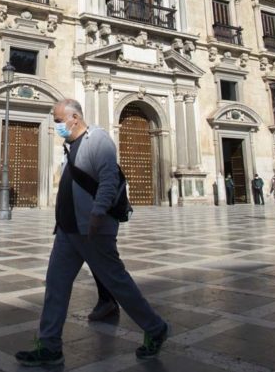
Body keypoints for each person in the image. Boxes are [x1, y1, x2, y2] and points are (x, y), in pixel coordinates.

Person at [16, 99, 170, 366]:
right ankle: (50, 346)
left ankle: (155, 327)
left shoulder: (98, 140)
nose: (56, 125)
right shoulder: (71, 145)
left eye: (58, 120)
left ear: (74, 117)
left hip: (91, 230)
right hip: (68, 230)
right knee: (56, 286)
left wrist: (98, 214)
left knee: (117, 283)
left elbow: (109, 179)